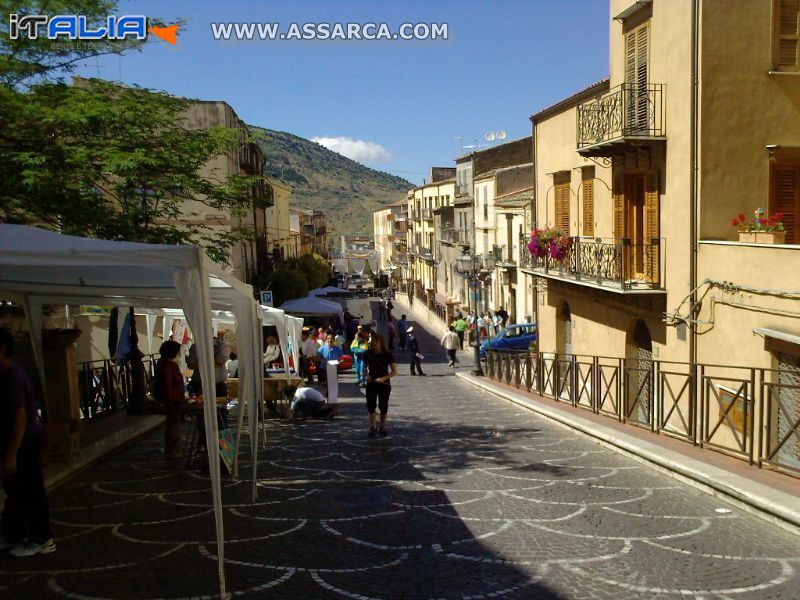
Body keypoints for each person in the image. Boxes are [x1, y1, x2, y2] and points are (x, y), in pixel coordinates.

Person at [0, 328, 55, 557]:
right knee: (15, 490)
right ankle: (15, 534)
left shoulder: (13, 377)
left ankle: (43, 539)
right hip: (17, 440)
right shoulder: (5, 375)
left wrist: (12, 453)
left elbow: (20, 418)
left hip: (26, 441)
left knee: (31, 490)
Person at [154, 340, 185, 460]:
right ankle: (172, 449)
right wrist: (171, 400)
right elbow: (167, 385)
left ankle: (171, 448)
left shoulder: (163, 364)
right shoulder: (168, 366)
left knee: (172, 424)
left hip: (172, 398)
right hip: (172, 400)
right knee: (173, 425)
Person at [363, 334, 397, 437]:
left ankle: (382, 426)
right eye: (372, 343)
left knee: (383, 406)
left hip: (384, 384)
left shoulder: (387, 355)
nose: (373, 345)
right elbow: (364, 367)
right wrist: (366, 374)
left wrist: (383, 379)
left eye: (375, 342)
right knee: (371, 406)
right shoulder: (367, 353)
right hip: (371, 383)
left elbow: (394, 372)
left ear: (380, 342)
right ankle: (373, 427)